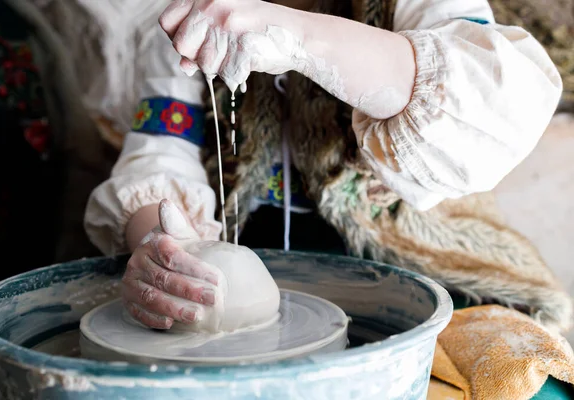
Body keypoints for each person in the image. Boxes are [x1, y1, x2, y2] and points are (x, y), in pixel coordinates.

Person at [84, 1, 574, 396]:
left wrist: (299, 36)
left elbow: (500, 98)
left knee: (524, 380)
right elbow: (157, 158)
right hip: (240, 286)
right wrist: (162, 247)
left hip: (429, 275)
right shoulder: (188, 21)